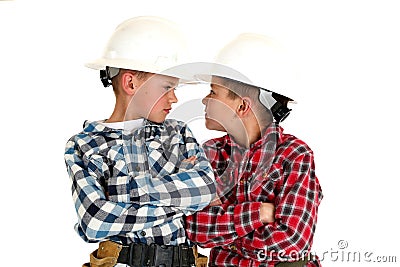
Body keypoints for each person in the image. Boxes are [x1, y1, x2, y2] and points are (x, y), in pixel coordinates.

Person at [64, 16, 216, 267]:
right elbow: (95, 222)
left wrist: (121, 198)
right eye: (167, 87)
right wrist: (182, 202)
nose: (175, 98)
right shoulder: (85, 145)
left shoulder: (177, 133)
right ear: (130, 83)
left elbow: (206, 190)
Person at [185, 33, 323, 267]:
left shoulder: (294, 155)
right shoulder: (209, 153)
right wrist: (259, 213)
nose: (204, 101)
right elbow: (193, 228)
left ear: (242, 106)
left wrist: (224, 235)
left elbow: (292, 242)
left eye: (213, 92)